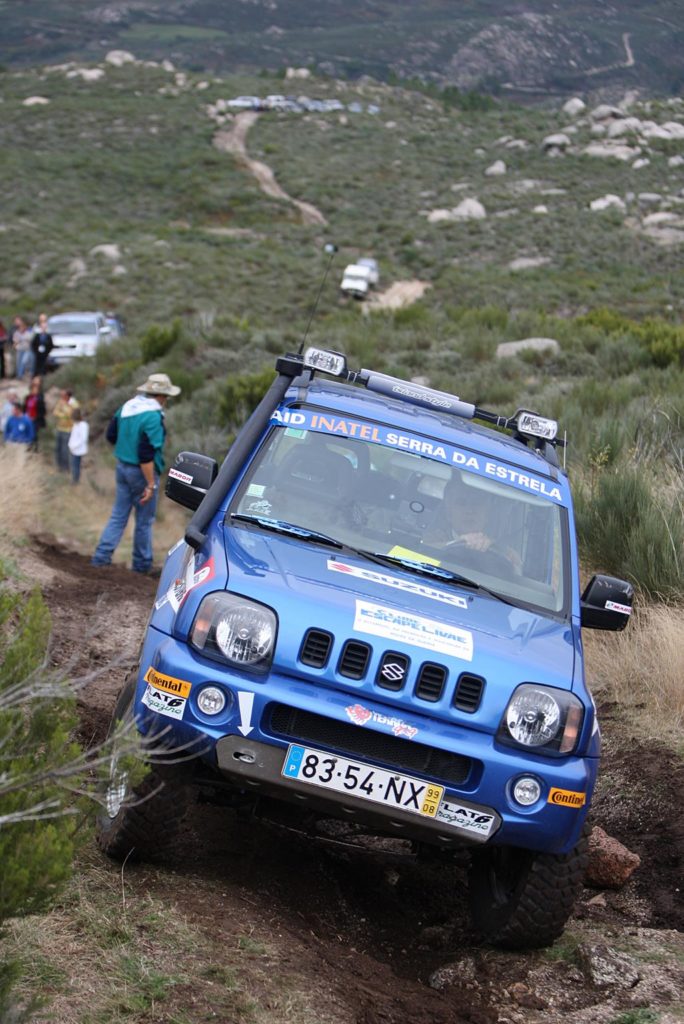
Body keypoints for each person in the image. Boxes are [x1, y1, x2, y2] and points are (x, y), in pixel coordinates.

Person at [92, 372, 181, 574]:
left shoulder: (127, 406)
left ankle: (100, 558)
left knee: (118, 515)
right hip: (142, 473)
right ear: (160, 396)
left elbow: (111, 435)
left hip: (122, 467)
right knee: (144, 521)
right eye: (166, 396)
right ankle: (141, 566)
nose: (166, 401)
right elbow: (146, 455)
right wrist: (150, 484)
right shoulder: (153, 416)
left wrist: (126, 449)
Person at [426, 474, 523, 573]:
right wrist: (455, 543)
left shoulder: (505, 553)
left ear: (488, 514)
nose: (470, 510)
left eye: (477, 503)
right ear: (448, 513)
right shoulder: (431, 541)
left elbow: (515, 581)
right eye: (461, 503)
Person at [53, 388, 80, 471]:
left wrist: (63, 413)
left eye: (63, 395)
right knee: (57, 448)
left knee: (65, 449)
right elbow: (55, 412)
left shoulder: (74, 404)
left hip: (68, 429)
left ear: (68, 396)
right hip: (59, 428)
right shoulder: (60, 402)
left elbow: (71, 414)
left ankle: (66, 467)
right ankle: (59, 466)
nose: (62, 396)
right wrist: (63, 414)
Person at [23, 376, 46, 452]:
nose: (34, 391)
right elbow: (25, 407)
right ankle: (28, 446)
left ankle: (35, 448)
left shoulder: (40, 398)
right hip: (28, 417)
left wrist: (36, 416)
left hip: (36, 418)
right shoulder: (28, 397)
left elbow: (42, 410)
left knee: (34, 434)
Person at [68, 406, 89, 485]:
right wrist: (70, 444)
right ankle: (75, 479)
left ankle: (75, 481)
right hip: (73, 448)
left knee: (76, 465)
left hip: (78, 450)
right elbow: (73, 436)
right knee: (73, 464)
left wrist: (74, 446)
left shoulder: (83, 425)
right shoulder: (76, 424)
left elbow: (83, 439)